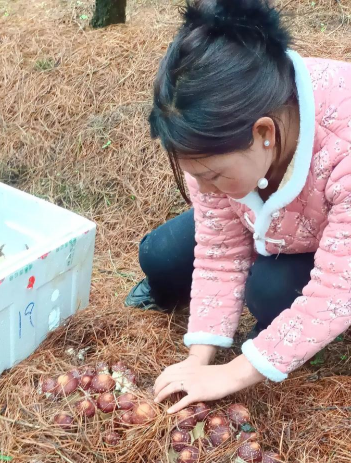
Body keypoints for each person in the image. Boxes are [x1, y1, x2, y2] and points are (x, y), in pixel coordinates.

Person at [125, 0, 351, 414]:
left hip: (333, 241)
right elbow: (219, 250)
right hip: (270, 220)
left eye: (212, 175)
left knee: (269, 292)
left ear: (265, 133)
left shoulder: (343, 143)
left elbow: (339, 286)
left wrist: (235, 372)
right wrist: (199, 356)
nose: (203, 188)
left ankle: (280, 328)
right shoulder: (218, 137)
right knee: (158, 255)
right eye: (196, 175)